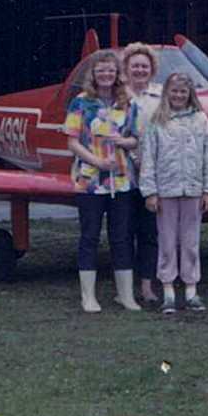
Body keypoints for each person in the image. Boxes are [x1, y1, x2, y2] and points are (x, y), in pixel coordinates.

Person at [64, 49, 142, 313]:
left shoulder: (127, 102)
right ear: (93, 74)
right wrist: (96, 162)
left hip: (121, 181)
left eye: (110, 70)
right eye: (101, 70)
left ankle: (125, 296)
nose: (106, 74)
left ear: (117, 73)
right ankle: (88, 297)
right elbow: (72, 141)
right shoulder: (80, 102)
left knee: (121, 237)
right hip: (90, 181)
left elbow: (136, 138)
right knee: (90, 236)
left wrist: (124, 141)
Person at [138, 72, 208, 315]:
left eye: (183, 91)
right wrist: (150, 192)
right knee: (166, 241)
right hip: (165, 191)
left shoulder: (200, 119)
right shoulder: (157, 120)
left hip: (193, 190)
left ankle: (191, 291)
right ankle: (168, 292)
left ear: (190, 94)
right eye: (174, 91)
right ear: (167, 93)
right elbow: (148, 158)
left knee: (190, 242)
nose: (178, 95)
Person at [122, 42, 162, 304]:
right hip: (123, 173)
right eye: (135, 65)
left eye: (144, 66)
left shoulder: (162, 96)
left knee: (149, 231)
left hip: (152, 174)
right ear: (126, 68)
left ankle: (147, 287)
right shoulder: (116, 96)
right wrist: (135, 157)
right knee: (123, 232)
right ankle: (124, 288)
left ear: (152, 69)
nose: (139, 70)